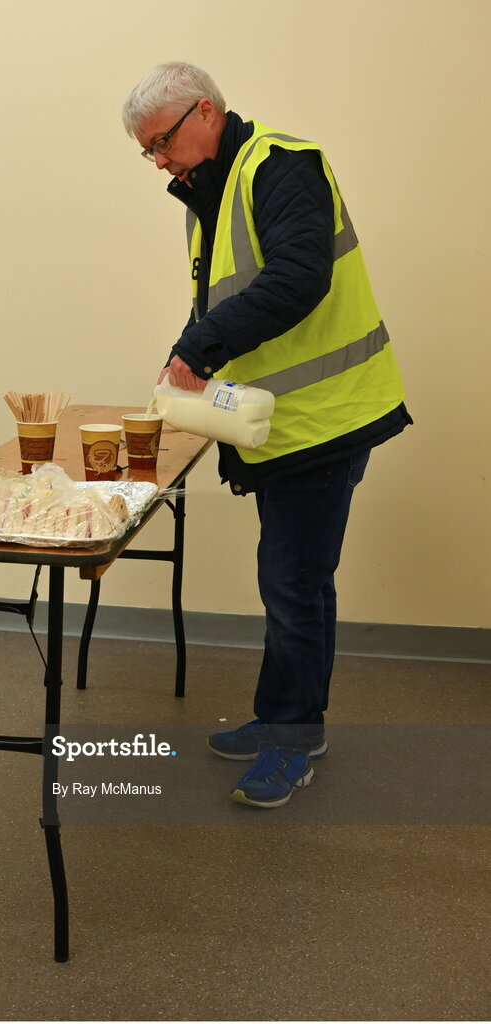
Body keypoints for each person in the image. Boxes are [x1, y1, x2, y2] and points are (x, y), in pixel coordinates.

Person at [122, 62, 412, 808]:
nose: (157, 160)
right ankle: (288, 721)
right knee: (293, 580)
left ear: (205, 112)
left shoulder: (280, 166)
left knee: (293, 584)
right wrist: (180, 354)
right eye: (147, 151)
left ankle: (292, 740)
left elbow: (296, 278)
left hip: (326, 418)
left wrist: (199, 348)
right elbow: (221, 297)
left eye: (160, 142)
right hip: (284, 423)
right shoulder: (211, 193)